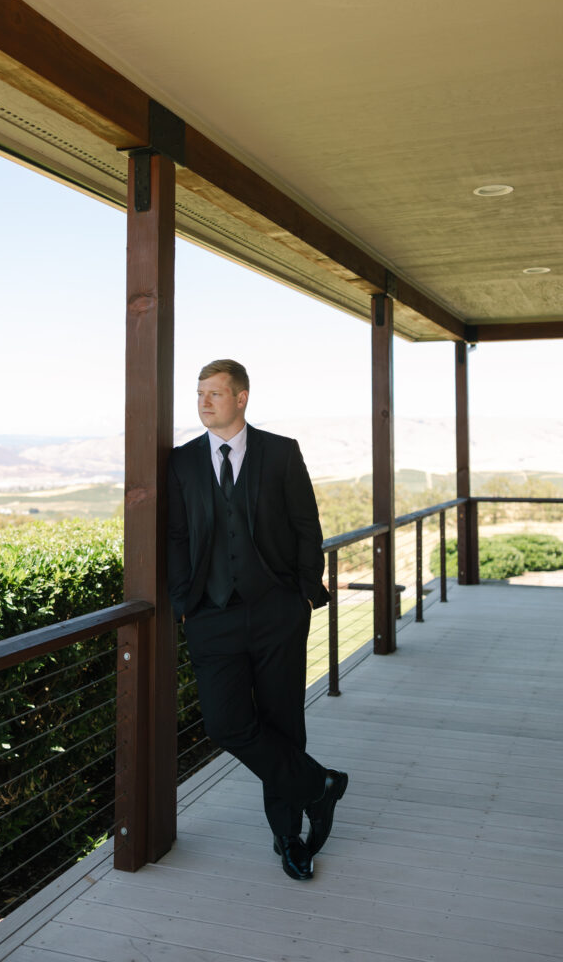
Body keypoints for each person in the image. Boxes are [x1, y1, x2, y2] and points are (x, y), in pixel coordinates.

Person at [167, 359, 348, 880]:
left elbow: (305, 527)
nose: (203, 403)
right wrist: (184, 603)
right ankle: (320, 787)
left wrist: (299, 596)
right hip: (211, 615)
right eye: (199, 393)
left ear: (241, 398)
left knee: (284, 725)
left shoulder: (281, 452)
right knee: (226, 724)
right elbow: (178, 538)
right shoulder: (181, 463)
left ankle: (289, 838)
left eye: (215, 394)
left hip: (276, 613)